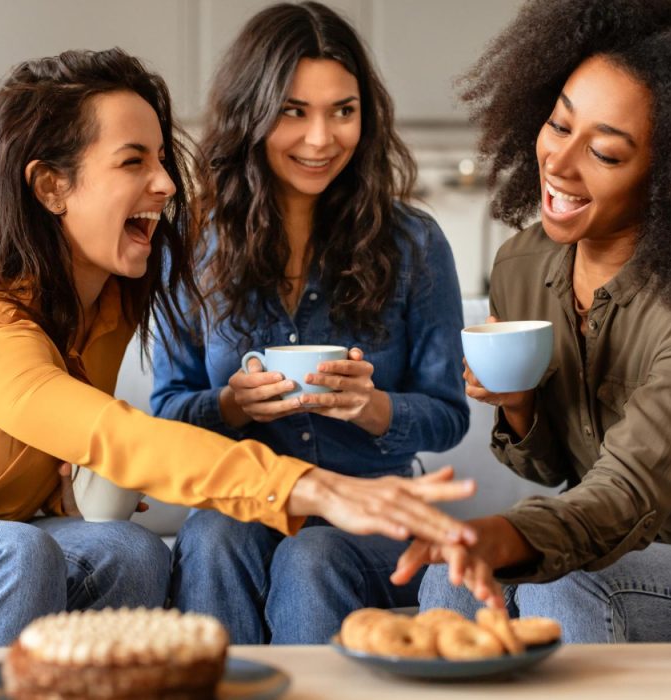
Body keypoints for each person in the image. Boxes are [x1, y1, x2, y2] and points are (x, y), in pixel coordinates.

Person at [0, 47, 477, 648]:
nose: (165, 183)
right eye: (135, 161)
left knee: (130, 553)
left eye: (163, 158)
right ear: (51, 186)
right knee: (14, 557)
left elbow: (84, 444)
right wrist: (320, 488)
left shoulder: (117, 291)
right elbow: (116, 435)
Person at [391, 0, 671, 643]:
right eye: (558, 124)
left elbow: (628, 493)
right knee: (453, 580)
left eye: (604, 152)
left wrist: (509, 531)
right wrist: (519, 407)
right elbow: (547, 473)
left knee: (574, 582)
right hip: (595, 540)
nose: (560, 163)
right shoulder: (521, 265)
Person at [152, 2, 469, 644]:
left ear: (366, 116)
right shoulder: (189, 244)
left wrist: (373, 407)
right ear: (251, 114)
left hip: (373, 512)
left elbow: (448, 414)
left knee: (313, 554)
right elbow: (164, 414)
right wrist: (232, 407)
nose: (321, 139)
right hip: (242, 500)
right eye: (293, 111)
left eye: (342, 111)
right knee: (212, 535)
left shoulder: (414, 243)